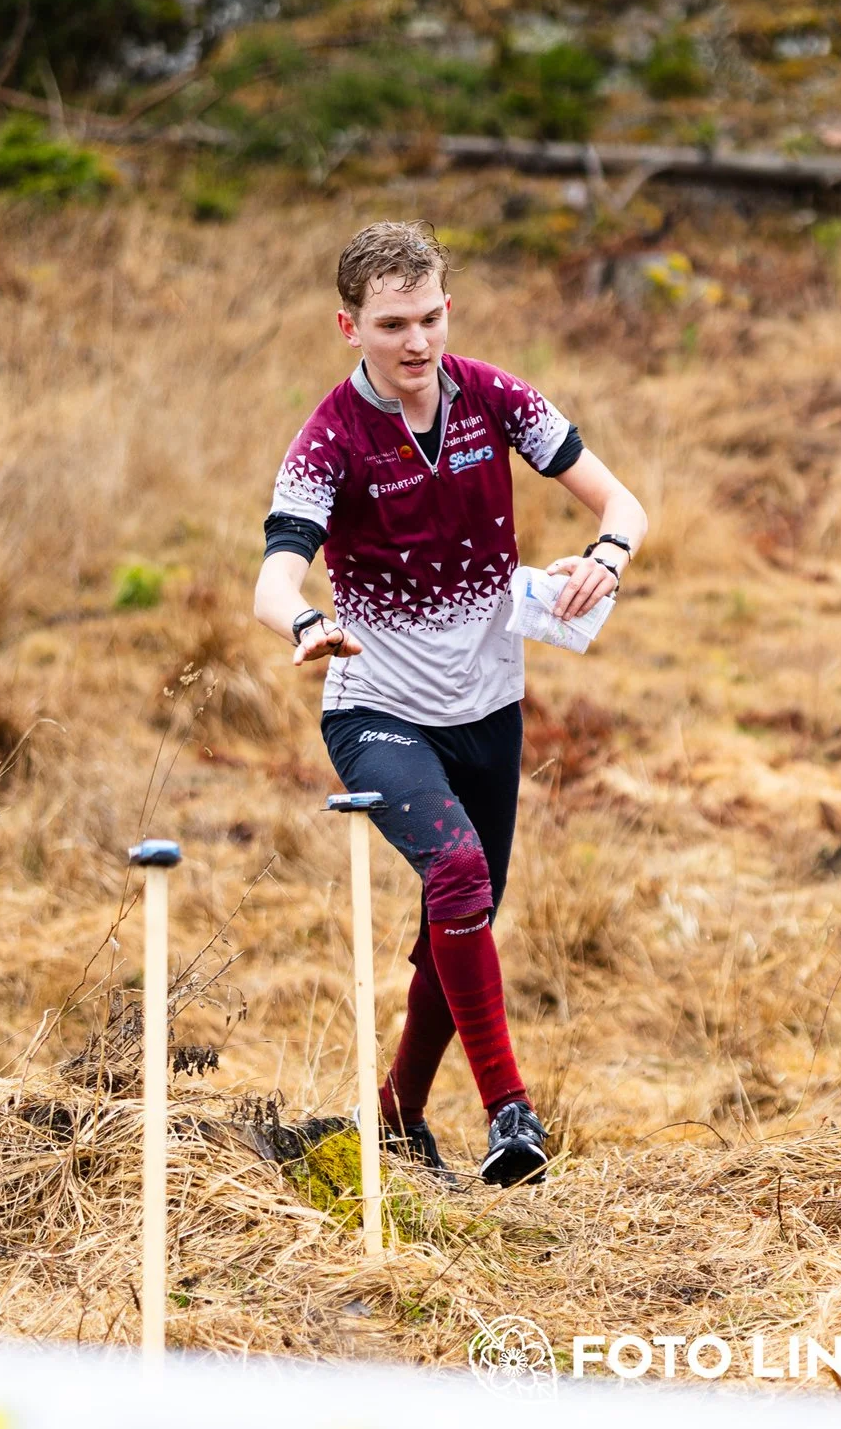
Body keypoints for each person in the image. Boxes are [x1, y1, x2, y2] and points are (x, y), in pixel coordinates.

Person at [254, 221, 647, 1187]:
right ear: (350, 326)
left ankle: (393, 1119)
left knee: (458, 915)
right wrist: (304, 625)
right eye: (392, 325)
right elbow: (272, 580)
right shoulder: (329, 438)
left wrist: (606, 557)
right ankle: (512, 1112)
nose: (416, 343)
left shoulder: (494, 396)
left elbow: (624, 504)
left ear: (448, 310)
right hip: (376, 708)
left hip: (490, 708)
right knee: (460, 871)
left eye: (430, 317)